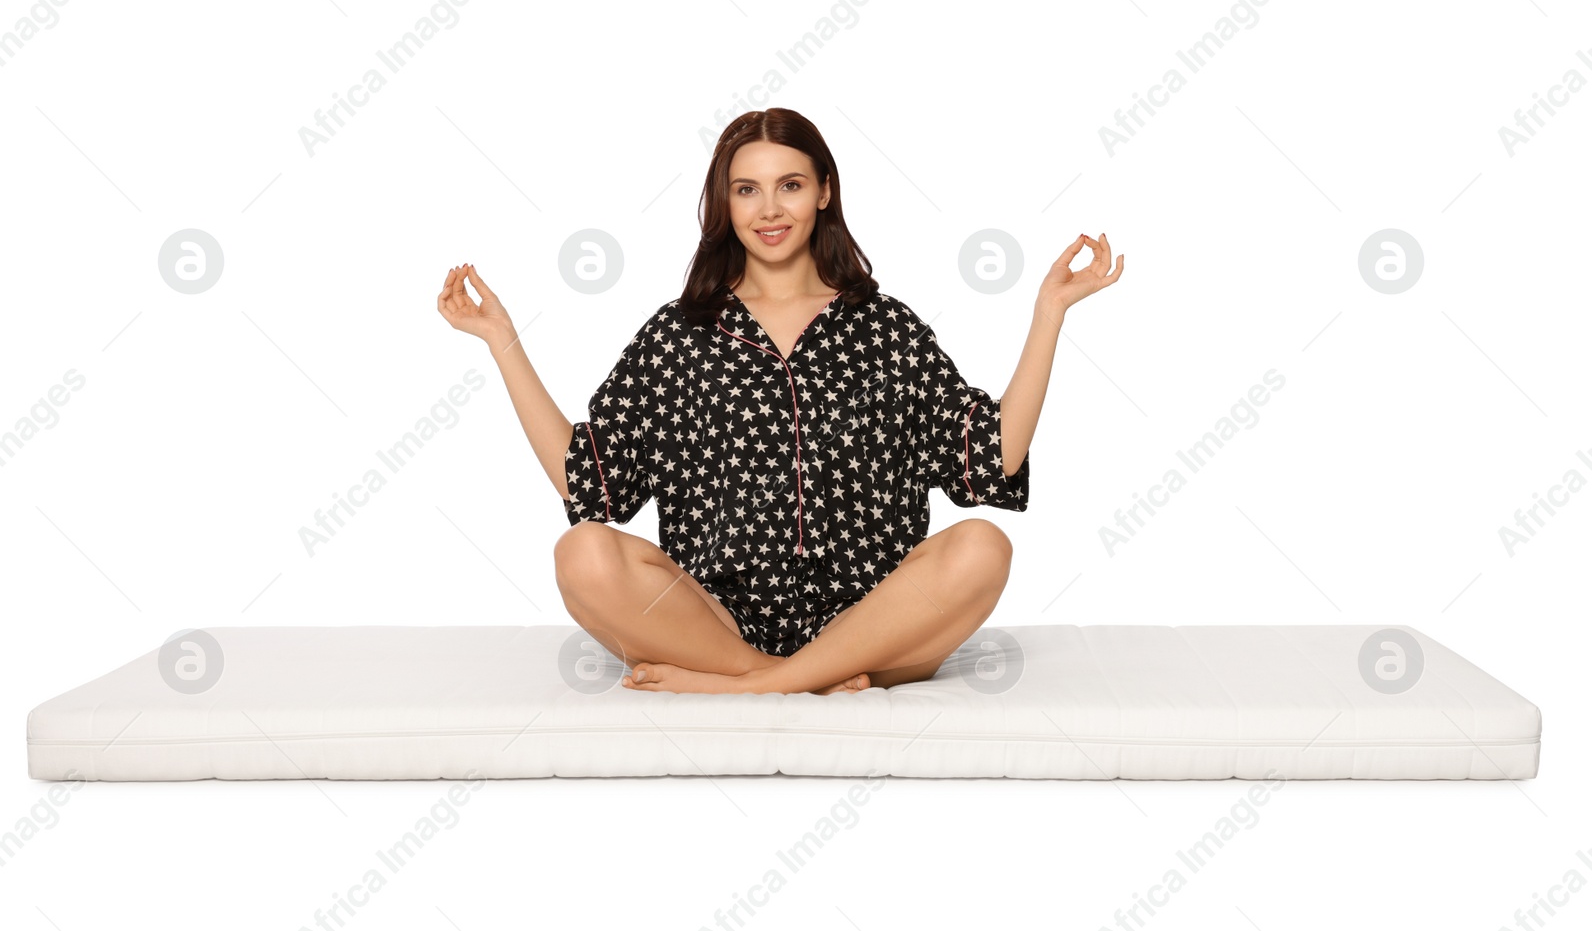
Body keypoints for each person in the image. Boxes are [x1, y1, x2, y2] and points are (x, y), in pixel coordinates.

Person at [436, 107, 1123, 696]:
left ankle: (755, 688)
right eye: (747, 190)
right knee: (581, 552)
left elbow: (991, 458)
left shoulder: (885, 326)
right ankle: (788, 677)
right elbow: (593, 481)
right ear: (724, 204)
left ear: (824, 191)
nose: (769, 209)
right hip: (713, 623)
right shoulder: (681, 333)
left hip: (877, 625)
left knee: (983, 545)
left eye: (789, 185)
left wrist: (1050, 311)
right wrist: (501, 340)